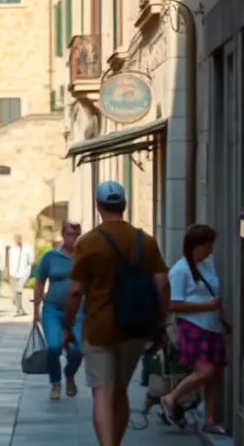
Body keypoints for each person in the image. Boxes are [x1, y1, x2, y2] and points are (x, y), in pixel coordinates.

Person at [65, 181, 169, 446]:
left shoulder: (88, 242)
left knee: (103, 392)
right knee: (121, 389)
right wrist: (161, 322)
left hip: (99, 327)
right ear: (124, 205)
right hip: (135, 326)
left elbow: (76, 290)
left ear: (98, 205)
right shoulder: (144, 241)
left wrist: (67, 325)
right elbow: (162, 283)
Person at [158, 224, 229, 435]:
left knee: (215, 373)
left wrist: (222, 318)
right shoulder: (180, 270)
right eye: (206, 246)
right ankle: (171, 398)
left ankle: (209, 419)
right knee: (205, 371)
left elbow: (213, 295)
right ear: (194, 246)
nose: (210, 250)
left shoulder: (208, 265)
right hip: (193, 326)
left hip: (213, 325)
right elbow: (174, 304)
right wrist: (206, 307)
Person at [33, 221, 84, 401]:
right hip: (53, 308)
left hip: (78, 309)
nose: (73, 238)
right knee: (54, 347)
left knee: (80, 349)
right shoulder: (50, 257)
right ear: (63, 235)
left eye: (77, 235)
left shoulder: (84, 257)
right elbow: (40, 283)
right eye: (70, 234)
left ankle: (69, 374)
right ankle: (55, 383)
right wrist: (35, 311)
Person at [7, 233, 35, 317]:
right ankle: (20, 309)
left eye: (19, 238)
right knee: (16, 293)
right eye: (16, 238)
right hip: (13, 273)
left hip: (24, 272)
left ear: (21, 239)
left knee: (18, 290)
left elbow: (31, 257)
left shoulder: (27, 247)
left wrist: (31, 261)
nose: (17, 240)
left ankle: (18, 310)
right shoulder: (11, 248)